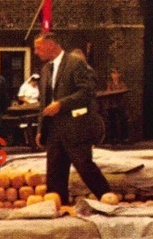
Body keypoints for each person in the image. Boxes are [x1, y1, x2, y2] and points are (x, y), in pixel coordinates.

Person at [34, 32, 112, 205]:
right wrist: (41, 129)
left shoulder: (75, 63)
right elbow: (43, 103)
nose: (36, 52)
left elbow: (87, 91)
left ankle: (107, 197)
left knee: (84, 166)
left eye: (39, 48)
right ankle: (58, 205)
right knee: (54, 171)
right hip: (53, 129)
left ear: (51, 45)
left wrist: (61, 104)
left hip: (75, 126)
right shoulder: (46, 69)